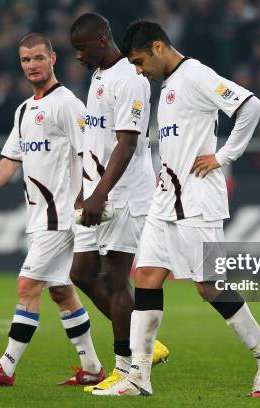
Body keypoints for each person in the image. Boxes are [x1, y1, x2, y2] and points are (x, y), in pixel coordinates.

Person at [94, 21, 260, 398]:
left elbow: (251, 105)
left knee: (210, 286)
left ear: (158, 47)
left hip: (199, 203)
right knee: (147, 276)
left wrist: (223, 156)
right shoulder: (167, 85)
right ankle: (139, 377)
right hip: (165, 202)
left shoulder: (195, 74)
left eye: (139, 61)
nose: (137, 70)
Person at [0, 33, 105, 387]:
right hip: (41, 215)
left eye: (38, 58)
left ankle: (6, 367)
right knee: (60, 291)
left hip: (61, 215)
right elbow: (11, 159)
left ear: (53, 59)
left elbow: (90, 151)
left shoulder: (67, 103)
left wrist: (86, 197)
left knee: (28, 285)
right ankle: (92, 368)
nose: (32, 65)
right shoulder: (25, 109)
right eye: (26, 60)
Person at [67, 13, 169, 392]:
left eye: (82, 48)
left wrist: (100, 192)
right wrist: (85, 187)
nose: (78, 56)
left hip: (125, 194)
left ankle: (126, 369)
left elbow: (126, 144)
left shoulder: (131, 78)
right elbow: (96, 140)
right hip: (100, 190)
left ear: (102, 39)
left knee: (114, 278)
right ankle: (145, 344)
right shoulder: (98, 74)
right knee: (80, 273)